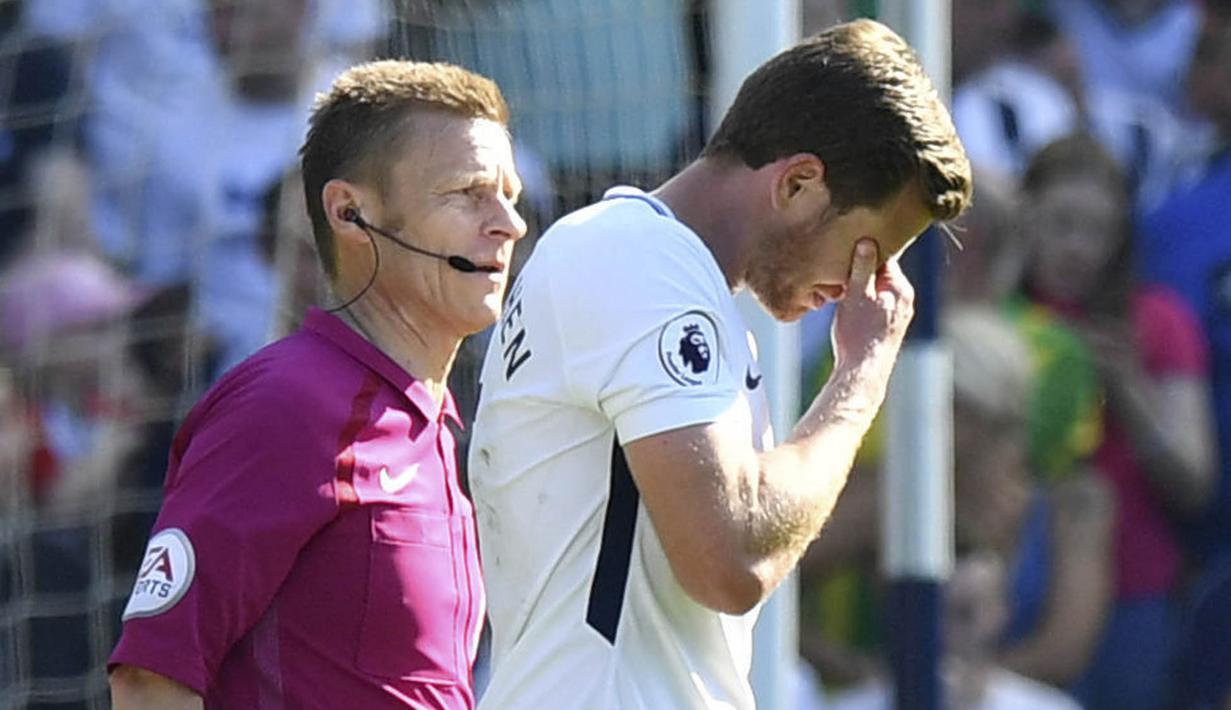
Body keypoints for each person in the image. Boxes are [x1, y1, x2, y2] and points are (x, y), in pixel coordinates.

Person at [468, 18, 972, 709]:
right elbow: (730, 560)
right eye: (869, 249)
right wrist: (858, 377)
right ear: (798, 184)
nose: (864, 286)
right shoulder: (640, 259)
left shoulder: (659, 276)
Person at [107, 60, 526, 708]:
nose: (508, 223)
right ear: (350, 214)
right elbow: (149, 681)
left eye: (509, 196)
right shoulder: (287, 405)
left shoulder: (427, 423)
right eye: (467, 192)